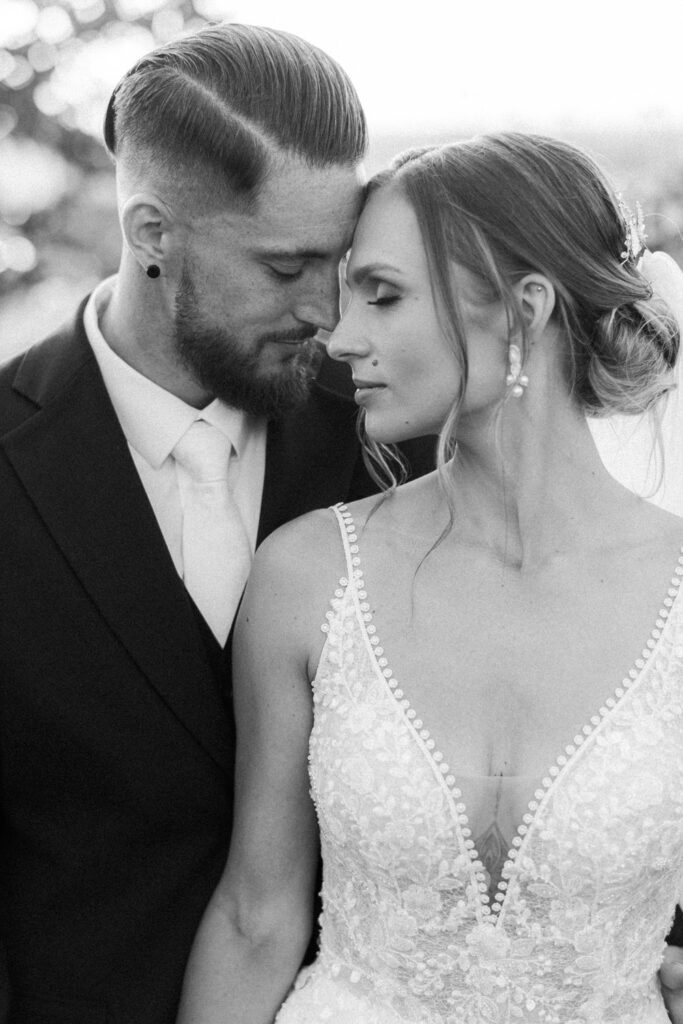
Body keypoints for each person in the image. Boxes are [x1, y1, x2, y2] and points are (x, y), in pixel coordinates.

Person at [178, 133, 683, 1024]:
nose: (340, 338)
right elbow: (255, 918)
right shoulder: (307, 576)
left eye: (383, 296)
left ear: (523, 311)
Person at [0, 23, 433, 1024]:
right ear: (153, 234)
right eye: (285, 268)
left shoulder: (398, 432)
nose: (326, 313)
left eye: (341, 263)